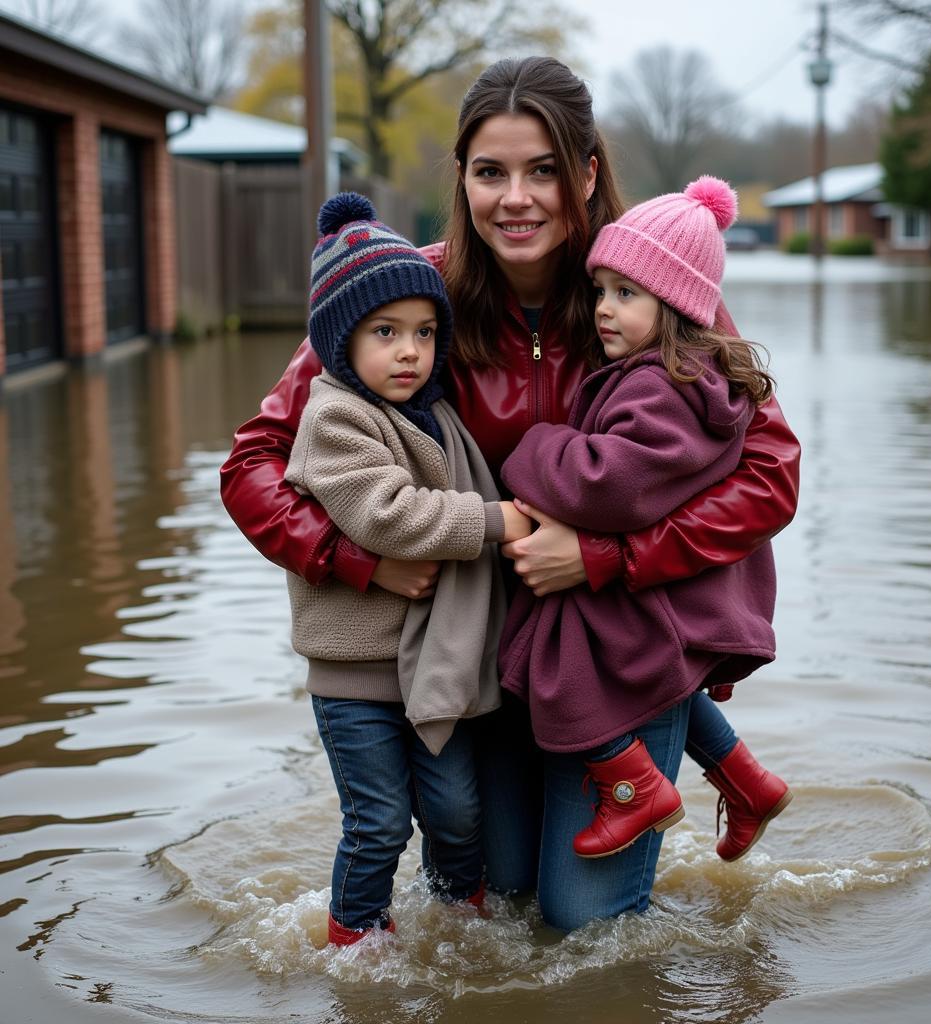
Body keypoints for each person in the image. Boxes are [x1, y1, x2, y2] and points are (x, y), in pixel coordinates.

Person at [220, 56, 801, 931]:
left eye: (543, 171)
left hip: (624, 648)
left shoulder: (650, 292)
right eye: (491, 172)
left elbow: (771, 475)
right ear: (462, 178)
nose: (516, 198)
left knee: (580, 925)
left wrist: (611, 555)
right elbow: (254, 462)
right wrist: (358, 559)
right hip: (485, 650)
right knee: (486, 908)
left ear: (588, 174)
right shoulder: (404, 298)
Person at [499, 176, 793, 861]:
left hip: (659, 585)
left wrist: (536, 448)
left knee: (551, 655)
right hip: (676, 590)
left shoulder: (662, 385)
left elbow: (606, 485)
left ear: (680, 306)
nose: (603, 310)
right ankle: (745, 779)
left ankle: (631, 783)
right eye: (599, 291)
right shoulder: (684, 372)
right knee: (634, 661)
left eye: (625, 295)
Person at [284, 192, 532, 946]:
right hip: (354, 669)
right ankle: (356, 937)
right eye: (385, 333)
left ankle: (459, 916)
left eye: (425, 333)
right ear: (339, 341)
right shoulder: (335, 416)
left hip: (433, 661)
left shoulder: (437, 412)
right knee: (380, 818)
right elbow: (385, 514)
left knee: (457, 811)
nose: (409, 352)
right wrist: (495, 521)